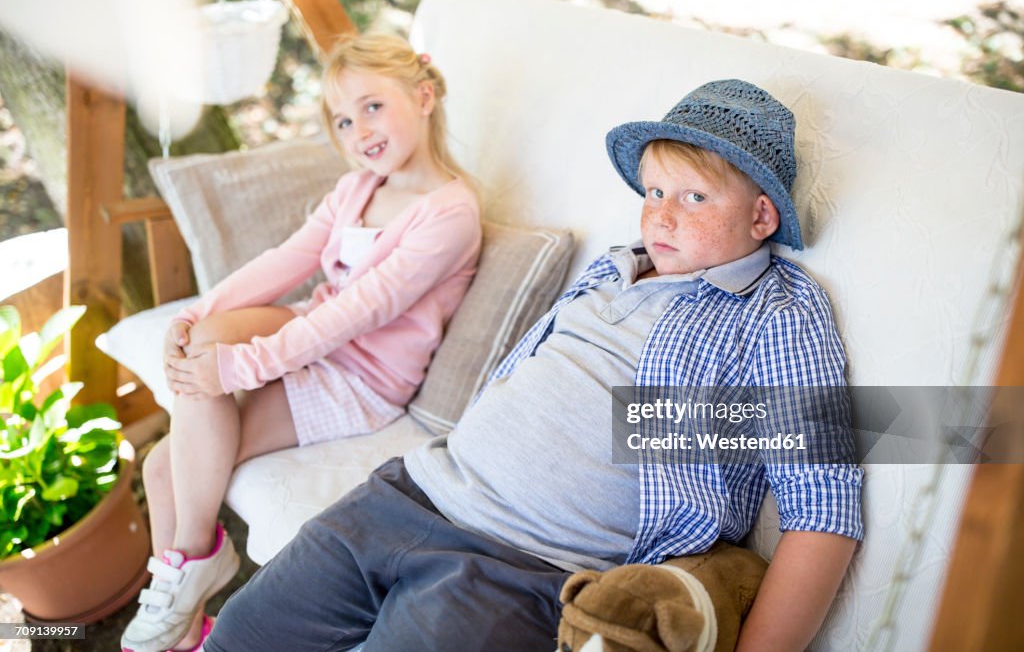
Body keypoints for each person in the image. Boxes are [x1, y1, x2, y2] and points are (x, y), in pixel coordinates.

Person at [202, 79, 864, 652]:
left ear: (761, 216)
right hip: (410, 491)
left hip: (527, 566)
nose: (659, 214)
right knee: (241, 633)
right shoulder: (615, 267)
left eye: (693, 198)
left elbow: (823, 505)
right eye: (654, 190)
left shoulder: (776, 314)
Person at [120, 33, 481, 652]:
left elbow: (356, 316)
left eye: (372, 106)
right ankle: (185, 594)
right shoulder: (357, 189)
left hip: (358, 378)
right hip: (304, 334)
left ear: (423, 96)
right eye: (342, 119)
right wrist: (198, 314)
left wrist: (241, 366)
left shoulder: (450, 213)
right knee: (201, 348)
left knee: (162, 465)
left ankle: (184, 577)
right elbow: (288, 258)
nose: (358, 129)